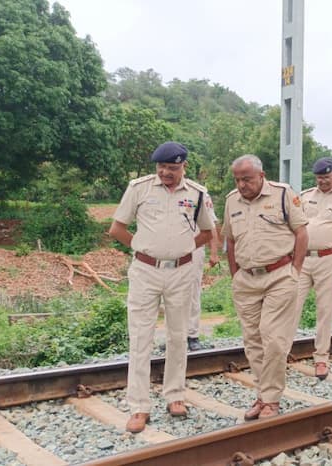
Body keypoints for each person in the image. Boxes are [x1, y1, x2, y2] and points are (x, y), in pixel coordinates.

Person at [108, 141, 215, 433]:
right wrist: (144, 249)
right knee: (140, 337)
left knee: (178, 337)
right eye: (162, 167)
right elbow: (117, 228)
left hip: (181, 271)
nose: (166, 172)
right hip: (144, 272)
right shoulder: (139, 188)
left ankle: (175, 396)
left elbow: (208, 232)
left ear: (184, 166)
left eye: (172, 167)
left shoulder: (197, 193)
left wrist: (180, 249)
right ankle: (139, 407)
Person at [221, 154, 308, 420]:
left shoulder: (283, 195)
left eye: (246, 179)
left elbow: (301, 232)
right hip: (246, 280)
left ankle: (271, 399)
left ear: (261, 175)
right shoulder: (231, 200)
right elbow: (231, 240)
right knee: (253, 341)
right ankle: (263, 395)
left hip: (279, 276)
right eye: (237, 180)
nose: (241, 185)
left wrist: (295, 270)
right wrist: (235, 274)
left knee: (273, 338)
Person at [295, 157, 332, 380]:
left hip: (329, 258)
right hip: (302, 259)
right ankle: (279, 354)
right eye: (320, 178)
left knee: (325, 310)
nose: (323, 181)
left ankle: (321, 357)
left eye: (327, 177)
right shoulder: (304, 196)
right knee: (291, 306)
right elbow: (295, 227)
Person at [187, 208, 221, 351]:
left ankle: (192, 336)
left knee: (193, 293)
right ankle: (175, 337)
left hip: (194, 250)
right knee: (171, 296)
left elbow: (210, 225)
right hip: (168, 252)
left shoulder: (199, 194)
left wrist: (213, 253)